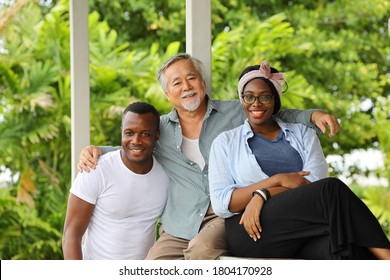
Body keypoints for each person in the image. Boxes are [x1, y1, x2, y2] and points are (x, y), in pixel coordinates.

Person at [77, 53, 341, 260]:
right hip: (180, 223)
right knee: (154, 266)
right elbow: (131, 146)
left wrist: (312, 115)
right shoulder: (158, 131)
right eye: (176, 83)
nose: (186, 87)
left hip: (227, 213)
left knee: (202, 252)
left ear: (203, 83)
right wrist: (96, 150)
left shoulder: (235, 112)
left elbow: (277, 113)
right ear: (167, 94)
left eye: (191, 78)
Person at [208, 61, 390, 259]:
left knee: (344, 248)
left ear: (276, 100)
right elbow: (222, 203)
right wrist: (276, 180)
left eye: (265, 97)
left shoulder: (303, 134)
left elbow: (311, 184)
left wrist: (263, 194)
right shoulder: (225, 142)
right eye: (248, 96)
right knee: (331, 189)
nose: (256, 103)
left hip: (302, 229)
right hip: (251, 230)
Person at [62, 102, 169, 260]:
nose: (136, 141)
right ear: (121, 133)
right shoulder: (95, 169)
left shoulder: (165, 176)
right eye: (129, 133)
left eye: (145, 134)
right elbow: (71, 234)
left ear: (157, 135)